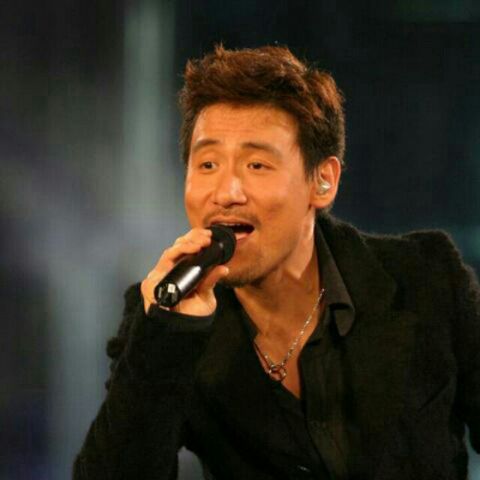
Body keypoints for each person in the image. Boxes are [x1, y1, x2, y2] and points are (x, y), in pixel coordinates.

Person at [73, 45, 480, 480]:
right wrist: (165, 337)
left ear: (323, 181)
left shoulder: (426, 277)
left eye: (256, 164)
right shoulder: (164, 320)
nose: (226, 192)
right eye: (207, 163)